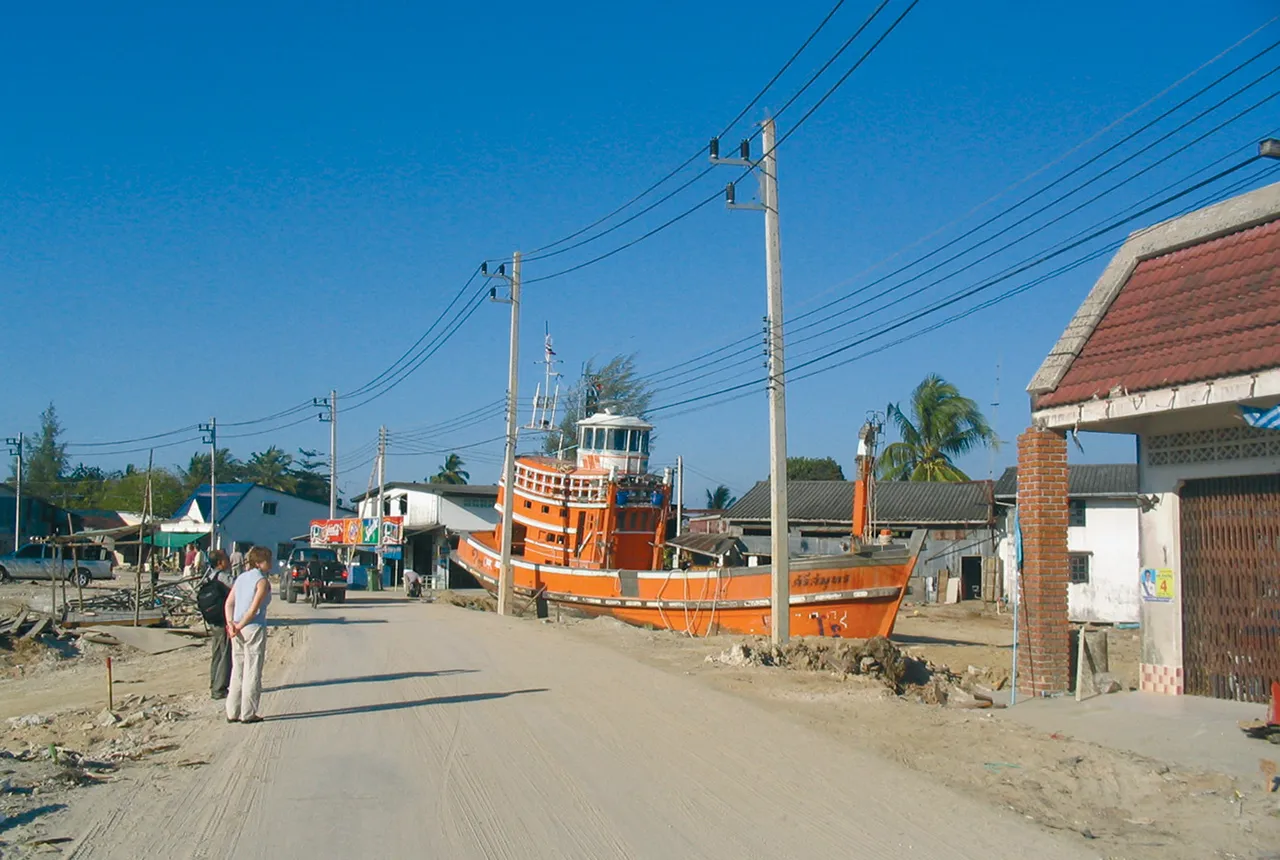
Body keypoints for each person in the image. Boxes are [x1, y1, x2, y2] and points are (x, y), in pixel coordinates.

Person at [223, 546, 272, 724]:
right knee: (252, 669)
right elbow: (253, 609)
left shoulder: (241, 578)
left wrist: (231, 625)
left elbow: (229, 603)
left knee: (238, 669)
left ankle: (232, 711)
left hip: (236, 627)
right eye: (268, 560)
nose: (271, 564)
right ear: (259, 562)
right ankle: (248, 712)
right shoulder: (262, 581)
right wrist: (241, 624)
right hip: (253, 626)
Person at [203, 549, 235, 699]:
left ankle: (213, 682)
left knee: (216, 653)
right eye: (226, 559)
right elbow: (237, 590)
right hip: (223, 620)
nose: (229, 561)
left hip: (212, 619)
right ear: (221, 563)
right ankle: (219, 688)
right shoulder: (224, 577)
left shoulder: (208, 576)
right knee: (224, 654)